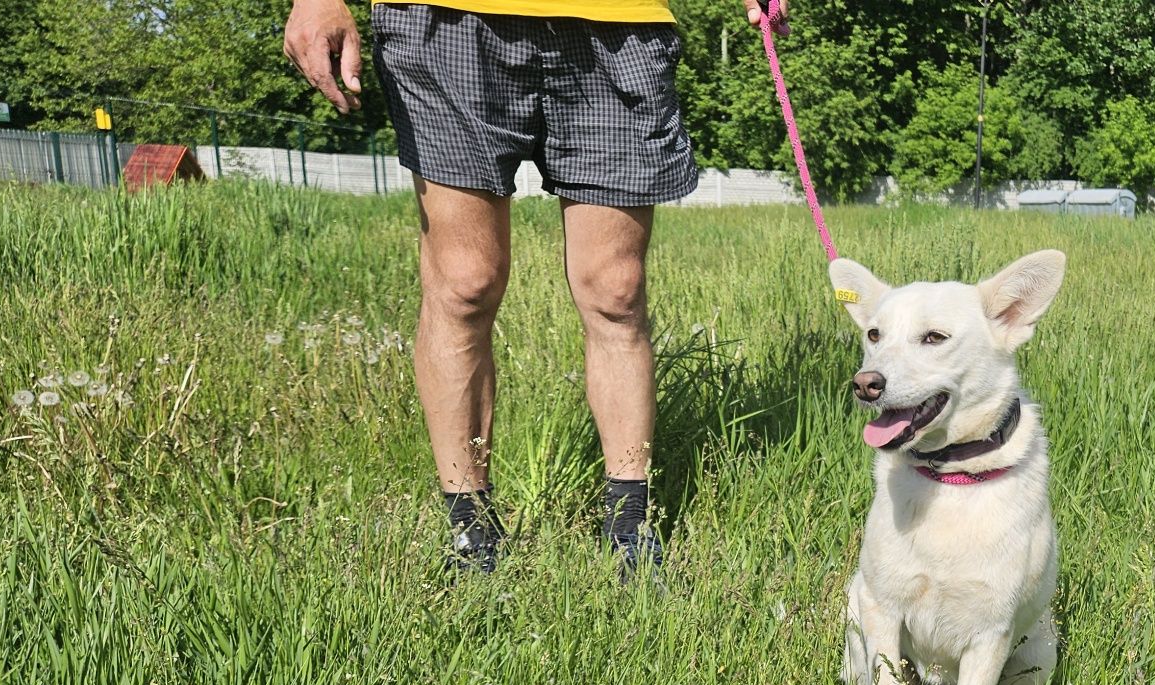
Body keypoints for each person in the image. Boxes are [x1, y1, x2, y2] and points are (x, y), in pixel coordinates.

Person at [284, 0, 783, 578]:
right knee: (465, 282)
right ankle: (470, 533)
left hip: (618, 22)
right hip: (448, 22)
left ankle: (629, 527)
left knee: (616, 289)